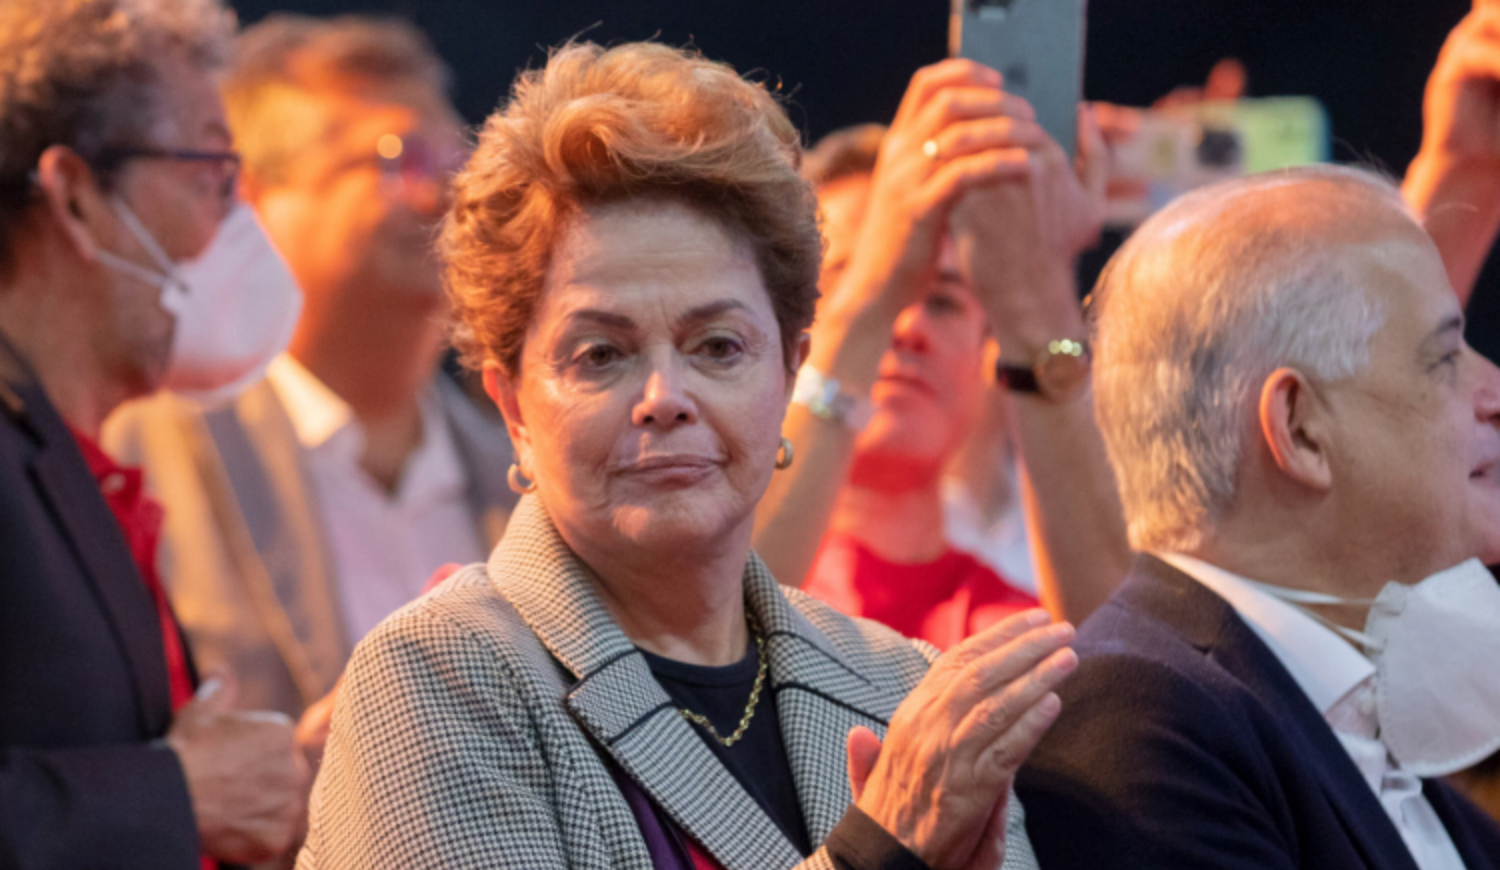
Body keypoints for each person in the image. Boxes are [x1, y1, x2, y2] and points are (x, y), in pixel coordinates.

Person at [299, 41, 1078, 870]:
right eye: (601, 354)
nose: (664, 396)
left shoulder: (902, 687)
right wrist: (876, 851)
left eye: (717, 346)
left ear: (790, 372)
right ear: (513, 406)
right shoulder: (437, 676)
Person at [1015, 164, 1500, 869]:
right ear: (1300, 429)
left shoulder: (1335, 726)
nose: (1494, 392)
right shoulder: (1141, 720)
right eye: (1445, 357)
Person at [104, 14, 517, 721]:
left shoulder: (525, 473)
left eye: (459, 162)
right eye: (401, 157)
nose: (449, 196)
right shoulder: (137, 450)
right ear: (250, 199)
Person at [0, 0, 308, 866]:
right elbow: (162, 796)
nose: (238, 225)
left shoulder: (76, 463)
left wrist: (279, 780)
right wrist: (175, 796)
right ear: (76, 197)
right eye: (211, 173)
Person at [758, 65, 1130, 646]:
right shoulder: (698, 575)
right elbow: (707, 636)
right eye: (853, 276)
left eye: (944, 300)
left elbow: (1127, 673)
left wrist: (1037, 301)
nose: (907, 327)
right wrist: (870, 299)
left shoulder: (1016, 633)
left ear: (986, 351)